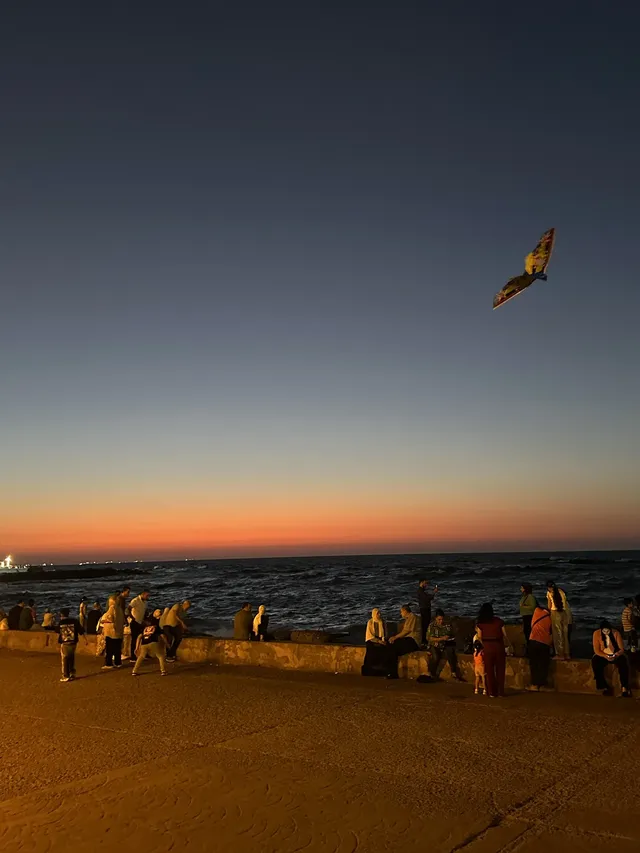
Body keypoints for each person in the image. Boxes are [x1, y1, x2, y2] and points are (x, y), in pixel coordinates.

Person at [475, 603, 512, 698]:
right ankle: (500, 692)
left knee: (489, 671)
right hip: (499, 645)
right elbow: (505, 635)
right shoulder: (499, 621)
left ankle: (492, 692)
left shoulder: (480, 624)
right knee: (500, 669)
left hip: (487, 647)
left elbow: (479, 637)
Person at [592, 620, 632, 698]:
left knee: (623, 663)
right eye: (604, 631)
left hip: (615, 654)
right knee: (595, 662)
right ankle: (603, 686)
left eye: (608, 631)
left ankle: (624, 687)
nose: (606, 632)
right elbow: (596, 650)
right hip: (603, 655)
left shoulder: (616, 633)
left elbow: (621, 649)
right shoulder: (596, 634)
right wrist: (605, 656)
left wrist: (616, 655)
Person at [426, 609, 463, 681]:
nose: (441, 621)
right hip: (434, 644)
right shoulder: (432, 626)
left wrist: (451, 636)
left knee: (451, 652)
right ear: (435, 618)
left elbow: (451, 634)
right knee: (436, 657)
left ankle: (453, 672)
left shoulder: (446, 625)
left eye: (442, 619)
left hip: (445, 644)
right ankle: (432, 673)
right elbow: (429, 638)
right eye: (439, 619)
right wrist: (441, 638)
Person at [385, 605, 421, 679]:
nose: (401, 613)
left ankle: (392, 673)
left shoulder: (412, 617)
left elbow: (407, 631)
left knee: (393, 646)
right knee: (391, 647)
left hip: (413, 641)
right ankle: (391, 672)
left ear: (405, 611)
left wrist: (395, 637)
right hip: (409, 640)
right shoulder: (408, 619)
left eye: (401, 611)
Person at [526, 606, 553, 692]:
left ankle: (534, 684)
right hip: (544, 642)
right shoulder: (550, 619)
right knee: (543, 664)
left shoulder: (536, 612)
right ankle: (542, 684)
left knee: (534, 664)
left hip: (533, 640)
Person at [132, 609, 168, 676]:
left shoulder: (143, 627)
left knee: (141, 657)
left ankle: (134, 670)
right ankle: (163, 671)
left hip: (144, 644)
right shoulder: (156, 627)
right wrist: (167, 644)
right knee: (160, 656)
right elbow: (162, 636)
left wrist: (136, 648)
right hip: (153, 643)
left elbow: (139, 637)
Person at [57, 607, 88, 682]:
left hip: (65, 642)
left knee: (65, 658)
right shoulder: (74, 621)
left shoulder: (61, 622)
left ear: (61, 614)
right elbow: (81, 631)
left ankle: (65, 675)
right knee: (71, 657)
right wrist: (85, 640)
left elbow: (57, 631)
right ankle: (72, 673)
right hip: (73, 642)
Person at [546, 581, 570, 661]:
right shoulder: (561, 591)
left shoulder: (549, 593)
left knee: (557, 634)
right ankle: (567, 653)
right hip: (564, 612)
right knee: (564, 634)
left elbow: (549, 606)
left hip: (555, 613)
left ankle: (560, 654)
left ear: (549, 587)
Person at [361, 608, 388, 676]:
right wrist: (378, 641)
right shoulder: (370, 622)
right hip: (372, 640)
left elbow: (385, 633)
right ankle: (369, 671)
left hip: (381, 639)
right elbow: (370, 636)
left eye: (379, 613)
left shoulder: (383, 622)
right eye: (377, 613)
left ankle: (381, 671)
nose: (379, 615)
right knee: (371, 650)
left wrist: (383, 640)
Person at [101, 594, 125, 669]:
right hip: (119, 631)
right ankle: (118, 662)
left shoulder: (112, 608)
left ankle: (109, 664)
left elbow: (110, 619)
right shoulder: (120, 609)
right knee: (117, 649)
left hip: (111, 632)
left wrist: (103, 620)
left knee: (109, 649)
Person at [128, 590, 150, 661]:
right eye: (147, 595)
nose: (148, 597)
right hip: (135, 622)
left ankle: (144, 654)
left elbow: (144, 611)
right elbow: (128, 609)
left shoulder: (144, 602)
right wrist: (132, 617)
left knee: (144, 637)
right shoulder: (135, 600)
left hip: (141, 622)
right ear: (142, 594)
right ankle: (133, 657)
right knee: (134, 639)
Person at [417, 580, 437, 645]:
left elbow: (428, 598)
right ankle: (424, 640)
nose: (426, 585)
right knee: (425, 625)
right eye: (425, 583)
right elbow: (427, 598)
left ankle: (424, 640)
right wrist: (434, 592)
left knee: (425, 624)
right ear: (421, 583)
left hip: (425, 608)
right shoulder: (420, 591)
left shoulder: (422, 591)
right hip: (424, 609)